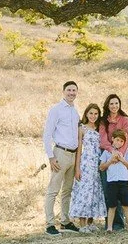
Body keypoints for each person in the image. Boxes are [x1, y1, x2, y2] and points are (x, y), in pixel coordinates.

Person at [42, 81, 81, 235]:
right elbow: (47, 135)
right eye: (69, 90)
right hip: (60, 154)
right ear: (63, 91)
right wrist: (51, 157)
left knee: (67, 191)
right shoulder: (56, 110)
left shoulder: (74, 111)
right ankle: (50, 224)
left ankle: (65, 221)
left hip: (73, 154)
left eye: (74, 90)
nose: (71, 93)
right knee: (53, 190)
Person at [69, 103, 107, 232]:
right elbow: (79, 150)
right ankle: (83, 224)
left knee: (94, 192)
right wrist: (77, 168)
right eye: (91, 113)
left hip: (97, 164)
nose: (93, 116)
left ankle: (90, 222)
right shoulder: (82, 128)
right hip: (86, 163)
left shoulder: (99, 128)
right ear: (86, 114)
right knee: (84, 192)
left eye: (96, 114)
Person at [98, 93, 128, 230]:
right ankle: (111, 223)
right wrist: (112, 154)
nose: (114, 106)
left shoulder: (124, 119)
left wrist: (119, 155)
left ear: (119, 104)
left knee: (121, 190)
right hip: (107, 154)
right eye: (111, 103)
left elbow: (125, 139)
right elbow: (103, 140)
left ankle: (120, 223)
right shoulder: (103, 121)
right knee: (108, 189)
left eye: (116, 103)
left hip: (121, 156)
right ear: (107, 105)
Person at [99, 129, 128, 232]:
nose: (119, 143)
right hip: (112, 182)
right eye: (117, 140)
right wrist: (110, 161)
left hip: (123, 181)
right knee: (112, 205)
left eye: (122, 141)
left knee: (125, 205)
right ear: (113, 139)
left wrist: (122, 160)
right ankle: (109, 227)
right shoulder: (107, 152)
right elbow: (101, 167)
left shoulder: (126, 152)